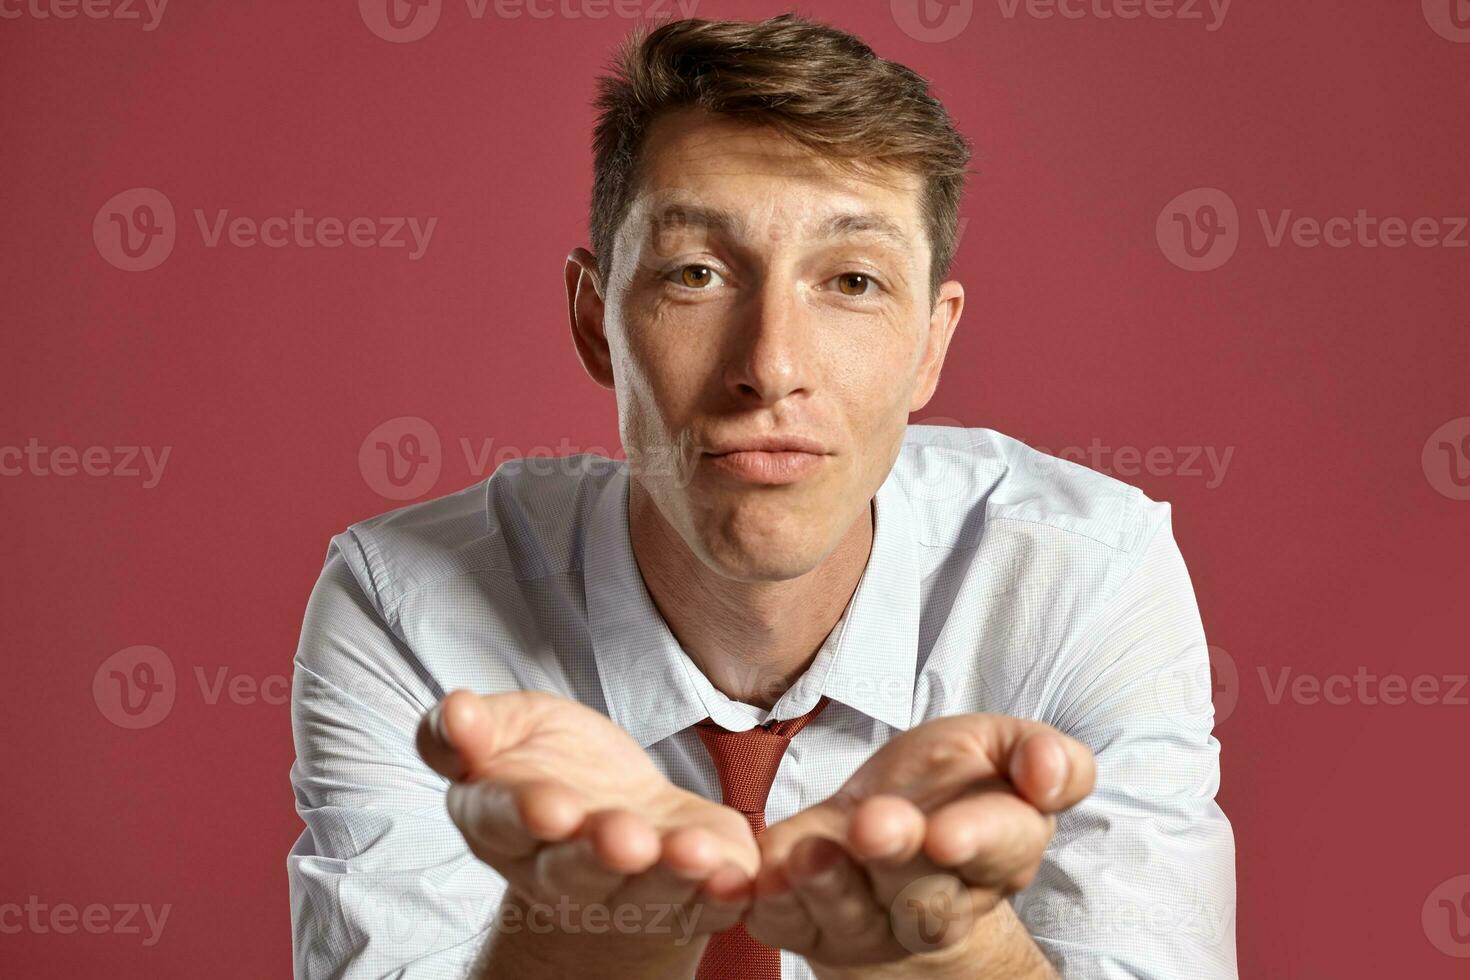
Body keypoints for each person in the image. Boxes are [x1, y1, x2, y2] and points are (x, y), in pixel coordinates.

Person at [287, 13, 1236, 979]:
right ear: (596, 322)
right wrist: (574, 951)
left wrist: (960, 959)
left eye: (853, 280)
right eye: (696, 274)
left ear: (932, 346)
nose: (771, 366)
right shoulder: (407, 600)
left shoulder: (1090, 577)